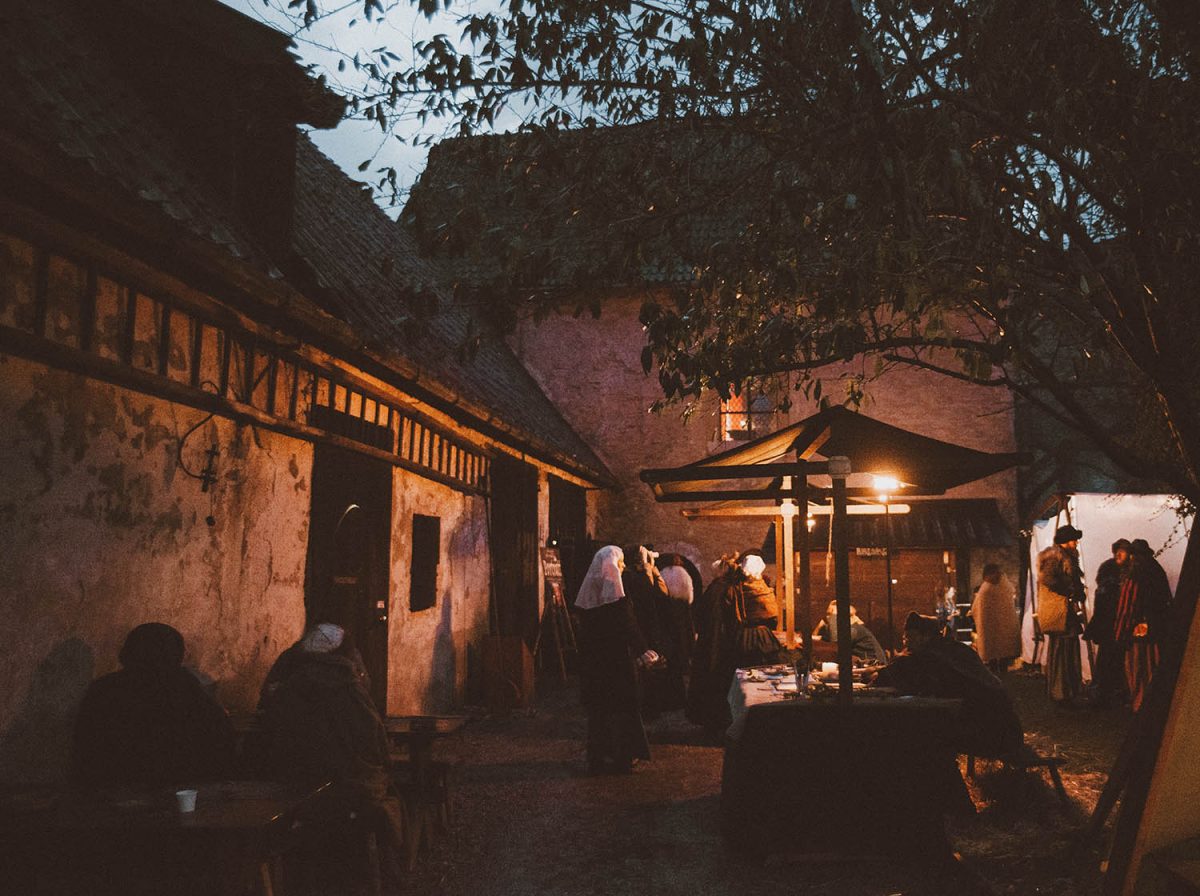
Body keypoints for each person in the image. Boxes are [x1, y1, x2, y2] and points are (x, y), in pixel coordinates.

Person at [260, 622, 404, 857]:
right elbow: (373, 742)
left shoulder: (287, 687)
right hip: (350, 786)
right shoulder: (350, 689)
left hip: (294, 781)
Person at [72, 622, 235, 789]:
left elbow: (85, 750)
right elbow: (219, 735)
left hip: (116, 788)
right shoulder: (182, 686)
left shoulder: (105, 689)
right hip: (171, 787)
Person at [875, 612, 1024, 759]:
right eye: (904, 638)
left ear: (926, 636)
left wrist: (875, 672)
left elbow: (889, 676)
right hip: (1009, 729)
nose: (905, 642)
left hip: (987, 734)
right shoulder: (955, 648)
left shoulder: (929, 655)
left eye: (910, 637)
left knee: (918, 731)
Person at [576, 545, 658, 774]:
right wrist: (642, 650)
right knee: (622, 709)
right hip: (616, 662)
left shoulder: (589, 595)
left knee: (599, 711)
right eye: (619, 563)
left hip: (594, 662)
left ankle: (598, 757)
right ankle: (622, 757)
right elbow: (627, 623)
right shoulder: (616, 594)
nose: (622, 567)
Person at [622, 544, 683, 713]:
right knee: (648, 669)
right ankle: (649, 705)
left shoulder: (643, 575)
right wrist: (649, 574)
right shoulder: (632, 577)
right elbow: (648, 598)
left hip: (655, 626)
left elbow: (661, 597)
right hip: (645, 627)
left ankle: (657, 702)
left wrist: (652, 572)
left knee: (656, 667)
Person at [1116, 539, 1172, 711]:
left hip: (1139, 629)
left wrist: (1120, 632)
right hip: (1157, 627)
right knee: (1153, 664)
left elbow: (1127, 607)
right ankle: (1153, 703)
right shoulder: (1157, 570)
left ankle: (1142, 704)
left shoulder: (1136, 574)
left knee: (1139, 667)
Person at [686, 553, 740, 730]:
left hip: (712, 640)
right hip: (721, 640)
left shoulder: (717, 588)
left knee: (711, 679)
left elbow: (702, 612)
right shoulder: (728, 587)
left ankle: (711, 719)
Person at [1037, 524, 1088, 704]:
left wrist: (1077, 590)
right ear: (1066, 542)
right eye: (1073, 539)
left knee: (1068, 646)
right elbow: (1048, 579)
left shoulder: (1068, 557)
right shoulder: (1055, 558)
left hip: (1065, 608)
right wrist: (1069, 591)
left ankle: (1069, 689)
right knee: (1062, 647)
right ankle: (1061, 690)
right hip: (1059, 609)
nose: (1075, 542)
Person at [1087, 539, 1132, 707]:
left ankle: (1115, 692)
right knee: (1106, 657)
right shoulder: (1108, 569)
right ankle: (1101, 693)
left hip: (1121, 622)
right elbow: (1103, 596)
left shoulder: (1131, 569)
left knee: (1118, 658)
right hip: (1107, 622)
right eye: (1117, 551)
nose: (1119, 554)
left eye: (1123, 551)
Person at [970, 564, 1022, 675]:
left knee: (994, 650)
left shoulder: (987, 589)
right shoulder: (1001, 588)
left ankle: (997, 672)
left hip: (991, 628)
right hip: (996, 627)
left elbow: (975, 608)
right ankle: (1001, 671)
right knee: (1000, 650)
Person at [658, 552, 697, 690]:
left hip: (666, 616)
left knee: (667, 654)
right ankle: (678, 691)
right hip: (681, 616)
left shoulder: (662, 573)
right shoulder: (685, 575)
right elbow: (689, 599)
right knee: (680, 652)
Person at [812, 600, 887, 665]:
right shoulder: (851, 631)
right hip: (867, 668)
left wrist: (833, 614)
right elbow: (823, 639)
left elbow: (834, 642)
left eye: (833, 617)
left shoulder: (855, 629)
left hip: (874, 670)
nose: (830, 621)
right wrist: (820, 625)